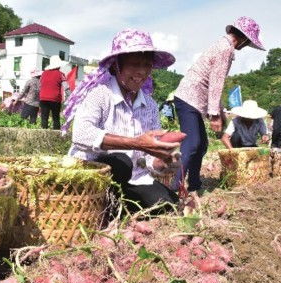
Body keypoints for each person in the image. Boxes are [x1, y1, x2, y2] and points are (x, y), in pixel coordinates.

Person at [62, 29, 180, 212]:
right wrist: (136, 143)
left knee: (169, 204)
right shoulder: (99, 94)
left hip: (132, 178)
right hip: (94, 174)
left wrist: (162, 162)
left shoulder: (149, 105)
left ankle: (117, 207)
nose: (141, 72)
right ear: (117, 65)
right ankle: (103, 207)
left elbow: (149, 158)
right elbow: (81, 134)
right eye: (134, 64)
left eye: (146, 65)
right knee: (121, 162)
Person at [172, 16, 265, 193]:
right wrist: (214, 115)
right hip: (189, 97)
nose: (245, 46)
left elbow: (215, 85)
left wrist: (219, 111)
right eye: (247, 42)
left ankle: (194, 184)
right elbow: (216, 83)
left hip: (193, 99)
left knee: (201, 144)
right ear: (244, 38)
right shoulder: (226, 49)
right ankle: (174, 188)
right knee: (192, 144)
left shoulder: (223, 45)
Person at [39, 55, 67, 130]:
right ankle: (56, 134)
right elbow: (66, 87)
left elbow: (40, 84)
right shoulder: (60, 74)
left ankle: (43, 133)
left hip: (43, 98)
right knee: (55, 117)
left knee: (44, 117)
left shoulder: (43, 73)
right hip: (54, 99)